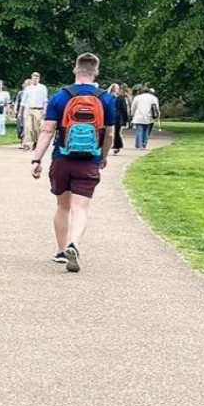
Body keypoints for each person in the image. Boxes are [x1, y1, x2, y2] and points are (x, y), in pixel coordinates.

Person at [29, 53, 117, 273]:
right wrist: (103, 156)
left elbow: (47, 131)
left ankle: (60, 251)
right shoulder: (106, 98)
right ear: (96, 71)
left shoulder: (60, 96)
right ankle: (74, 244)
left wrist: (36, 159)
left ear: (75, 70)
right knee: (81, 208)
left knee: (62, 206)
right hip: (89, 160)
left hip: (62, 158)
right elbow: (109, 134)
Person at [21, 71, 49, 151]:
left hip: (38, 109)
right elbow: (23, 101)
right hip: (29, 109)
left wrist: (44, 110)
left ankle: (36, 142)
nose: (35, 80)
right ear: (31, 79)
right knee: (28, 127)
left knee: (37, 128)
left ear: (39, 79)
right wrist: (21, 111)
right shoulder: (28, 88)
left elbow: (45, 100)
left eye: (37, 78)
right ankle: (27, 144)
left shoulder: (42, 87)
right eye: (34, 78)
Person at [130, 85, 160, 150]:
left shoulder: (137, 97)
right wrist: (158, 116)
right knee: (146, 131)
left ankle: (138, 145)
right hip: (149, 116)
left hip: (138, 116)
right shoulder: (154, 98)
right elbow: (156, 108)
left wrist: (131, 114)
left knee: (139, 131)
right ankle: (144, 144)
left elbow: (133, 107)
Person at [110, 83, 130, 155]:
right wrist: (126, 119)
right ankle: (117, 145)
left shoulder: (109, 96)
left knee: (114, 132)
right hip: (118, 117)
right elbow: (124, 109)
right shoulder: (121, 97)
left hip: (111, 115)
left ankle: (116, 145)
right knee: (117, 132)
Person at [13, 79, 29, 147]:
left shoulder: (32, 92)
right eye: (26, 84)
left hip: (29, 112)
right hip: (21, 111)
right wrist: (15, 109)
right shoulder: (20, 93)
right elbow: (17, 101)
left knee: (27, 126)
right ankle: (22, 139)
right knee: (20, 127)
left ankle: (24, 142)